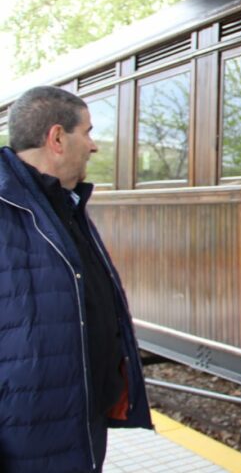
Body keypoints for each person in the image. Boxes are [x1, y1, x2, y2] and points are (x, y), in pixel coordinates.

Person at [0, 86, 151, 472]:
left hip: (76, 426)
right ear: (56, 138)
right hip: (27, 439)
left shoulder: (63, 204)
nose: (94, 145)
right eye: (86, 131)